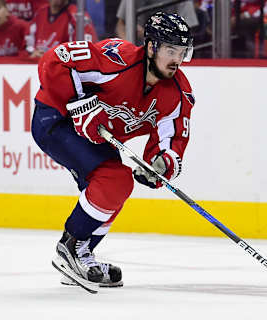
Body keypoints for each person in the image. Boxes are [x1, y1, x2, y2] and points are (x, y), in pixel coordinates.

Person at [31, 12, 195, 288]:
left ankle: (81, 255)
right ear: (152, 46)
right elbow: (55, 60)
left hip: (96, 137)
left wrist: (162, 163)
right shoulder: (117, 59)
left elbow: (172, 138)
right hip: (56, 119)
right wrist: (79, 102)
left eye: (182, 51)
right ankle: (69, 248)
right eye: (170, 50)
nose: (177, 59)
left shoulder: (177, 94)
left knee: (119, 186)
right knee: (113, 178)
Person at [25, 0, 98, 58]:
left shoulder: (78, 17)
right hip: (36, 65)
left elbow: (87, 51)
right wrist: (32, 52)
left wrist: (54, 57)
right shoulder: (40, 13)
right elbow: (27, 45)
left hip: (62, 68)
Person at [115, 0, 198, 45]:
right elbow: (121, 25)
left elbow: (186, 31)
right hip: (137, 50)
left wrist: (151, 34)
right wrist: (129, 49)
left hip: (170, 51)